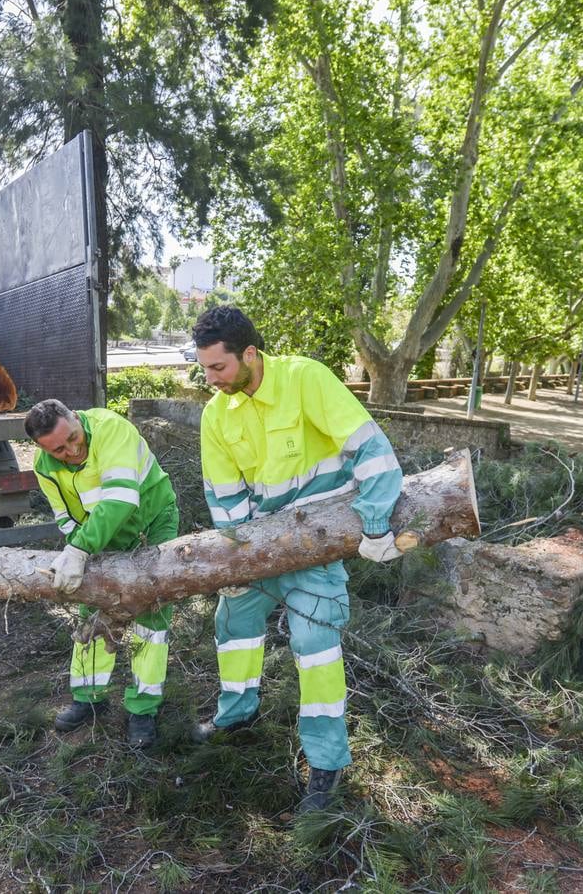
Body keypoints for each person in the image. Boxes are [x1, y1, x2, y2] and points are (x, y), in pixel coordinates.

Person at [190, 306, 405, 812]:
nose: (210, 379)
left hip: (317, 546)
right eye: (203, 368)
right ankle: (238, 713)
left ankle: (327, 762)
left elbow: (370, 449)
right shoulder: (215, 415)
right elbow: (224, 499)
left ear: (249, 354)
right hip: (260, 552)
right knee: (233, 622)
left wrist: (376, 518)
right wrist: (237, 562)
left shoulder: (306, 379)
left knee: (315, 646)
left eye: (217, 367)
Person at [24, 398, 180, 748]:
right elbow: (65, 516)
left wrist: (80, 549)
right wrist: (79, 551)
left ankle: (143, 707)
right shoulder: (44, 465)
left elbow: (122, 499)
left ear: (75, 418)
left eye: (74, 439)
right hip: (98, 537)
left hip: (151, 524)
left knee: (150, 613)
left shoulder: (111, 428)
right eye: (58, 449)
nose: (71, 451)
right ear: (40, 447)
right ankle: (88, 697)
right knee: (89, 608)